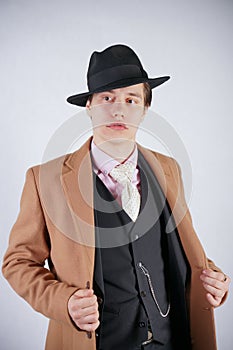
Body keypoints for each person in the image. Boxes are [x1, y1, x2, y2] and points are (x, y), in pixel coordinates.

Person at [2, 44, 230, 350]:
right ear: (90, 106)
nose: (119, 109)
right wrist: (64, 302)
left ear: (145, 109)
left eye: (131, 99)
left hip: (173, 340)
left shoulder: (168, 169)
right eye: (107, 98)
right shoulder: (44, 180)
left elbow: (177, 250)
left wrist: (212, 278)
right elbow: (18, 262)